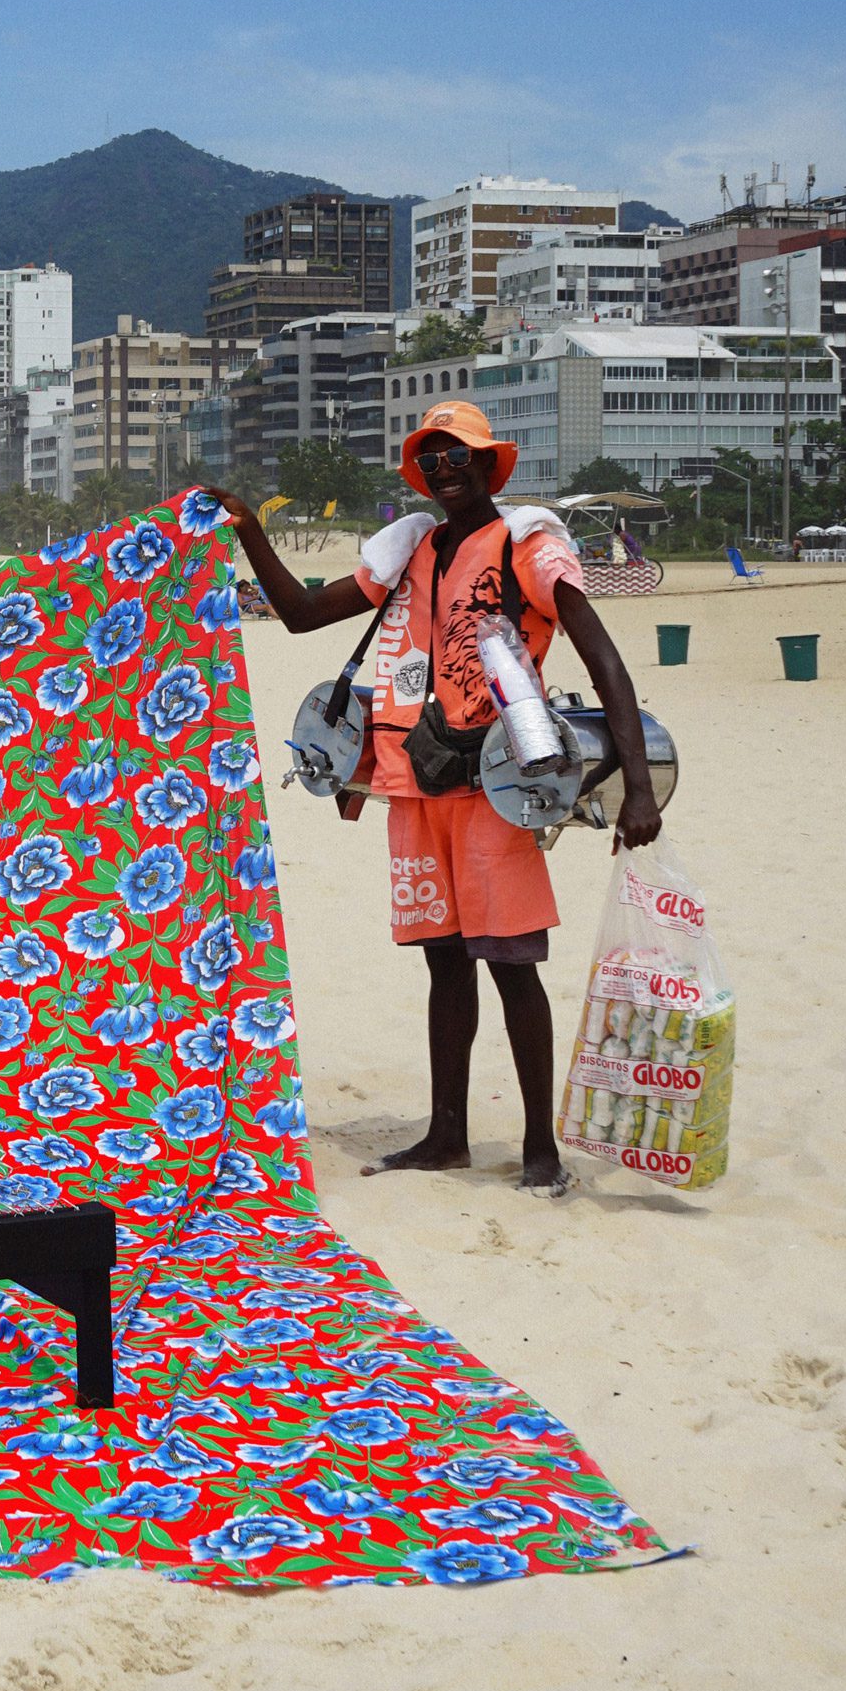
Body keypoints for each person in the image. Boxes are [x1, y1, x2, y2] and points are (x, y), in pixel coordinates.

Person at [221, 401, 663, 1195]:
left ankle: (540, 1151)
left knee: (512, 965)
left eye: (459, 453)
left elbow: (605, 660)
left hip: (502, 783)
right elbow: (299, 617)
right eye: (432, 457)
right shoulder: (415, 549)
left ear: (488, 463)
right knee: (446, 962)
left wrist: (638, 785)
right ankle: (446, 1137)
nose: (445, 468)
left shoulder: (523, 545)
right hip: (417, 782)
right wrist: (250, 528)